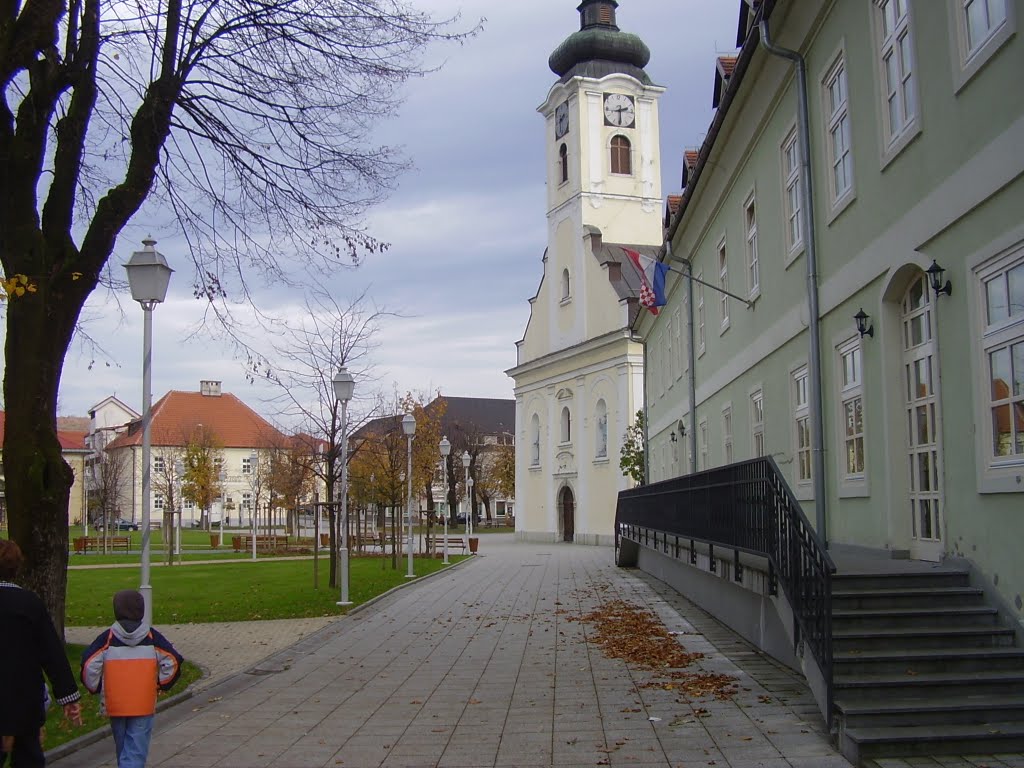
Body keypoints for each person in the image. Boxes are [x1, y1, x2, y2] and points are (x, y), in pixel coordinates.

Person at [0, 538, 83, 768]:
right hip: (23, 697)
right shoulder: (28, 603)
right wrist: (68, 696)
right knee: (28, 756)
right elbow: (51, 652)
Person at [80, 590, 182, 768]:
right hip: (143, 702)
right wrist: (161, 683)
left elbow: (89, 666)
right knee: (135, 750)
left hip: (116, 701)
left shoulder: (108, 638)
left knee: (124, 750)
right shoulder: (151, 637)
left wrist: (95, 687)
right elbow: (173, 661)